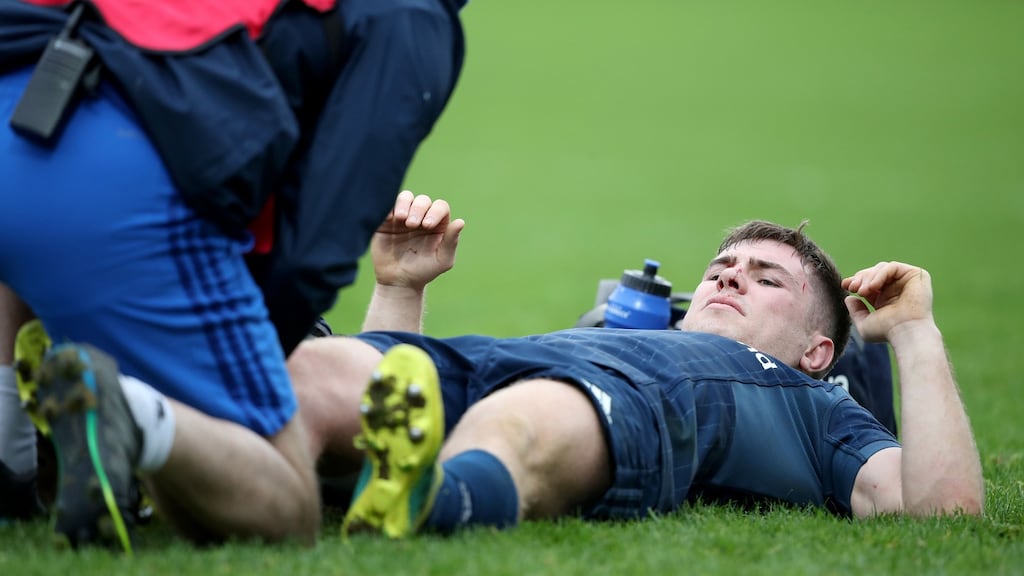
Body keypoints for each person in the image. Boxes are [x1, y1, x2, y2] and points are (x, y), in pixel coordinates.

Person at [0, 0, 467, 537]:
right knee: (285, 501)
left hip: (23, 90)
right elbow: (317, 254)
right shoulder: (411, 16)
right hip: (118, 171)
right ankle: (129, 411)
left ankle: (11, 459)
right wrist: (246, 378)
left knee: (35, 201)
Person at [285, 214, 984, 538]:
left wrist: (914, 330)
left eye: (767, 279)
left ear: (817, 351)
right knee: (316, 367)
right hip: (502, 358)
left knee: (519, 416)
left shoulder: (820, 408)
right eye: (722, 269)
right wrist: (402, 289)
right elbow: (400, 389)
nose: (732, 275)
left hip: (623, 406)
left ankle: (428, 502)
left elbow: (946, 511)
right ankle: (266, 460)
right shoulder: (608, 330)